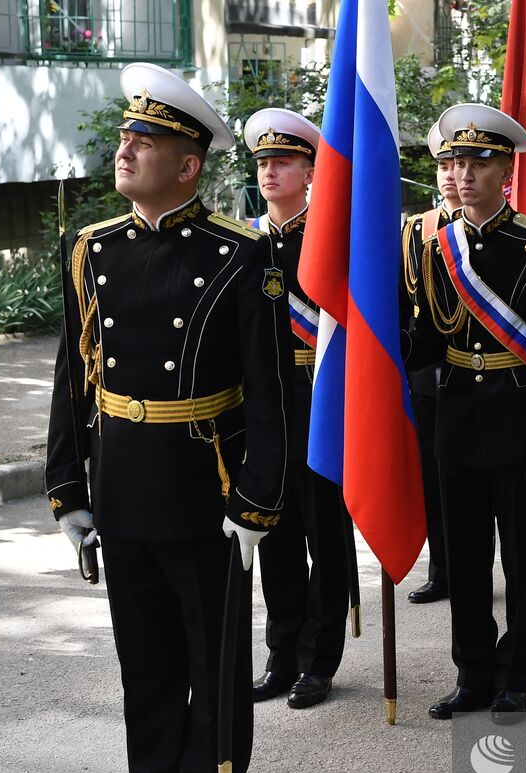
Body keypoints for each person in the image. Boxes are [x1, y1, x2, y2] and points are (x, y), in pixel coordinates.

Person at [46, 63, 288, 773]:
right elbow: (72, 379)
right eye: (125, 136)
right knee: (145, 677)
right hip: (124, 491)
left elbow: (269, 390)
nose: (126, 148)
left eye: (143, 141)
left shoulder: (240, 253)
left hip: (206, 497)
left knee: (215, 681)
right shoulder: (93, 249)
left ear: (187, 163)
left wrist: (257, 503)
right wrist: (68, 491)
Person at [405, 103, 526, 722]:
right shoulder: (436, 246)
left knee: (522, 562)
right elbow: (425, 338)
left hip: (519, 418)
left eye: (480, 160)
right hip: (458, 416)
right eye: (455, 161)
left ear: (507, 168)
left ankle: (516, 676)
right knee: (467, 558)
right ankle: (472, 673)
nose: (464, 171)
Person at [244, 108, 354, 711]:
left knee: (325, 539)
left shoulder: (333, 236)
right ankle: (281, 654)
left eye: (283, 161)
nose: (270, 171)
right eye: (262, 162)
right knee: (275, 535)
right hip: (269, 404)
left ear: (311, 169)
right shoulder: (247, 242)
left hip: (324, 398)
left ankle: (318, 660)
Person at [401, 126, 458, 606]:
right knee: (434, 480)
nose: (450, 177)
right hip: (425, 370)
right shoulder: (416, 229)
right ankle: (442, 568)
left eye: (457, 166)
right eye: (442, 167)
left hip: (487, 365)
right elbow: (402, 303)